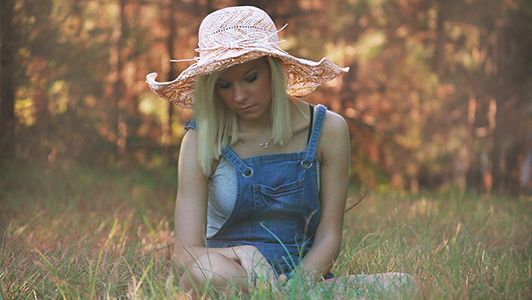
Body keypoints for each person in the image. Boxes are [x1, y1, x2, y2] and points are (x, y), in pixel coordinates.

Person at [147, 5, 417, 298]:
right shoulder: (201, 138)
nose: (239, 96)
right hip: (230, 275)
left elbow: (329, 237)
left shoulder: (328, 130)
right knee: (204, 274)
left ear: (274, 70)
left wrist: (299, 283)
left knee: (403, 285)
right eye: (224, 85)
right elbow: (185, 255)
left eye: (251, 78)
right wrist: (244, 253)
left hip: (303, 279)